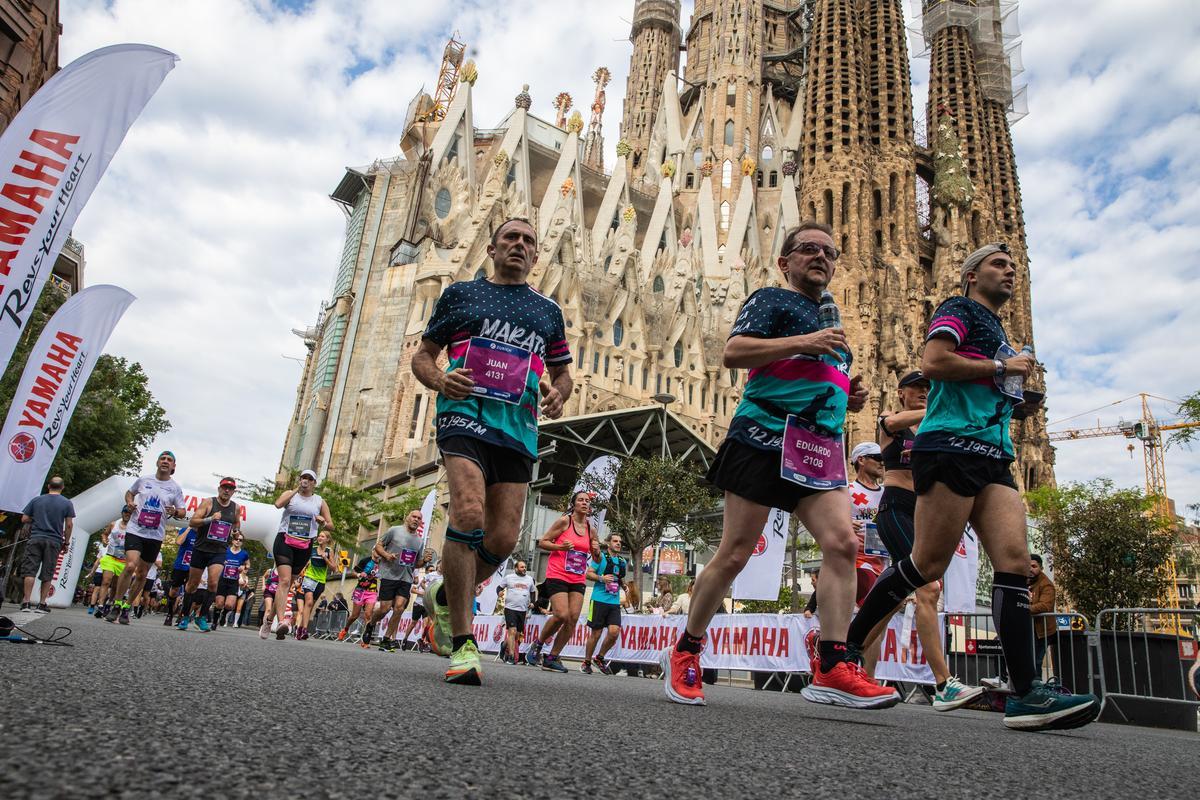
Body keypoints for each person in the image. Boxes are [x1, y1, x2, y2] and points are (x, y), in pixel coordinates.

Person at [843, 242, 1098, 731]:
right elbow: (936, 362)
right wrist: (1002, 368)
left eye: (1012, 266)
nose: (1009, 272)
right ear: (970, 275)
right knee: (925, 566)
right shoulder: (957, 310)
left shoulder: (1000, 331)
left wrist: (1014, 398)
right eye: (997, 265)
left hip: (994, 455)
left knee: (1016, 564)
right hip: (953, 448)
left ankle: (1026, 693)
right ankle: (844, 651)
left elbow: (984, 384)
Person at [662, 222, 897, 709]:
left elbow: (820, 374)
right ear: (784, 262)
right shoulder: (770, 299)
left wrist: (847, 394)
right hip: (762, 438)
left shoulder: (832, 321)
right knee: (735, 553)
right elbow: (734, 352)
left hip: (817, 449)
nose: (821, 257)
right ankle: (686, 649)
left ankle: (833, 664)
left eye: (829, 251)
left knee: (843, 543)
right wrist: (804, 343)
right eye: (808, 249)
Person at [413, 217, 573, 685]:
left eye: (528, 241)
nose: (520, 246)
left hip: (518, 427)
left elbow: (563, 372)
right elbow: (423, 356)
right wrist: (441, 378)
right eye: (511, 238)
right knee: (467, 513)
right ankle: (464, 644)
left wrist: (559, 393)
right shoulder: (461, 295)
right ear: (492, 248)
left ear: (536, 255)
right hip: (464, 415)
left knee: (503, 540)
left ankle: (446, 596)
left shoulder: (547, 310)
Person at [848, 370, 983, 710]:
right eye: (918, 388)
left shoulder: (931, 430)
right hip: (895, 510)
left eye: (929, 388)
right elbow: (893, 424)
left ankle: (850, 657)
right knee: (928, 588)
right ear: (901, 392)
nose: (924, 392)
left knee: (892, 598)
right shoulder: (889, 423)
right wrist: (939, 405)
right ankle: (943, 684)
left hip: (923, 514)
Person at [106, 452, 187, 624]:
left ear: (173, 467)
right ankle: (117, 604)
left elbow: (182, 511)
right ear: (157, 462)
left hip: (155, 536)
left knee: (142, 574)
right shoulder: (144, 480)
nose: (165, 461)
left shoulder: (175, 488)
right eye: (163, 459)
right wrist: (129, 502)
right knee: (129, 566)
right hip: (136, 530)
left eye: (169, 460)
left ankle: (127, 607)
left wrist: (175, 512)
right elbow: (130, 493)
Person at [527, 491, 600, 673]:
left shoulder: (591, 530)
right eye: (581, 500)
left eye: (587, 501)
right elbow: (542, 542)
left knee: (573, 618)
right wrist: (560, 546)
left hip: (577, 577)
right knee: (561, 614)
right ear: (574, 504)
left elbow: (597, 560)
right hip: (558, 574)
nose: (584, 503)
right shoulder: (564, 521)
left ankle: (552, 657)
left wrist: (597, 551)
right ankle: (537, 644)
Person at [263, 469, 333, 640]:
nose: (306, 481)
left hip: (304, 544)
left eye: (310, 479)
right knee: (284, 581)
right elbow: (278, 504)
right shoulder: (290, 494)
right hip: (285, 540)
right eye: (304, 478)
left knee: (287, 585)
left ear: (314, 483)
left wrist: (323, 522)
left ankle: (268, 620)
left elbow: (331, 525)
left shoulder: (319, 501)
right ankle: (281, 622)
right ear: (300, 480)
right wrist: (296, 490)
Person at [179, 478, 242, 632]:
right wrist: (209, 519)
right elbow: (192, 522)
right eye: (224, 487)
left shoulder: (236, 508)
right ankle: (185, 615)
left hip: (219, 550)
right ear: (219, 489)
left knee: (213, 583)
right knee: (193, 584)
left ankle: (202, 617)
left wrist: (235, 532)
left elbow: (236, 525)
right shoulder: (208, 503)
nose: (227, 491)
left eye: (230, 488)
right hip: (201, 548)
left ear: (233, 491)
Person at [846, 442, 887, 676]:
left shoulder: (887, 493)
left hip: (882, 561)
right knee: (872, 616)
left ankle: (868, 677)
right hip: (857, 561)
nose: (882, 461)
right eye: (876, 457)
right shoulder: (847, 490)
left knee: (877, 624)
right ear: (861, 460)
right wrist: (843, 523)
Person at [370, 510, 432, 652]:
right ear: (407, 518)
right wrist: (387, 555)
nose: (416, 520)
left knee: (399, 607)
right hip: (389, 574)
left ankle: (386, 639)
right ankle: (371, 624)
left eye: (419, 518)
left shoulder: (419, 541)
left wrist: (424, 561)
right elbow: (378, 546)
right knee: (385, 608)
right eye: (414, 517)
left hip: (406, 578)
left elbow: (416, 564)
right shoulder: (394, 531)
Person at [18, 476, 76, 613]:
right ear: (62, 488)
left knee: (30, 571)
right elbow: (68, 525)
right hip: (54, 541)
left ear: (49, 486)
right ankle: (41, 603)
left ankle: (26, 602)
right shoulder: (67, 503)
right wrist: (66, 542)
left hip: (36, 538)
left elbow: (24, 518)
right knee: (48, 572)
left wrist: (37, 516)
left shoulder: (37, 500)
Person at [582, 533, 628, 675]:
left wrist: (623, 585)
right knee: (596, 633)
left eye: (620, 541)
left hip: (614, 601)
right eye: (615, 541)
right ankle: (586, 662)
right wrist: (601, 578)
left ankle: (600, 658)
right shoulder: (600, 557)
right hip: (598, 599)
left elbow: (618, 578)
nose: (618, 543)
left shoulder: (622, 561)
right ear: (608, 543)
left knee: (614, 632)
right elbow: (588, 574)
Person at [295, 530, 336, 640]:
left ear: (327, 539)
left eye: (322, 536)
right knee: (308, 602)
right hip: (309, 578)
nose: (320, 537)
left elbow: (334, 568)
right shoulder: (312, 549)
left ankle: (300, 628)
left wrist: (325, 558)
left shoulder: (329, 551)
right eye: (319, 536)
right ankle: (304, 629)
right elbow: (305, 563)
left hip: (320, 581)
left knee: (311, 605)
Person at [94, 507, 132, 619]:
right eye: (125, 512)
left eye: (130, 513)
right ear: (122, 513)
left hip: (123, 560)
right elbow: (105, 534)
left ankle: (110, 603)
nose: (127, 514)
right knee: (106, 581)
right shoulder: (113, 524)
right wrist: (105, 539)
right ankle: (100, 606)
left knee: (116, 585)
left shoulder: (133, 527)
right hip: (111, 557)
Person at [500, 560, 536, 664]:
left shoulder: (529, 579)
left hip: (522, 610)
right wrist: (499, 592)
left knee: (517, 635)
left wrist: (533, 603)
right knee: (512, 631)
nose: (524, 569)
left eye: (525, 567)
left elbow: (533, 592)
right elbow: (499, 587)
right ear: (516, 568)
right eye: (522, 567)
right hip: (510, 608)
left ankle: (503, 645)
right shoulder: (509, 578)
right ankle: (511, 656)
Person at [337, 556, 379, 642]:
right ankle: (345, 629)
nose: (378, 555)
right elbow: (353, 572)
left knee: (368, 615)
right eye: (376, 552)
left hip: (372, 592)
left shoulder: (382, 563)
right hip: (360, 590)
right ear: (373, 551)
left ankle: (366, 639)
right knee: (354, 615)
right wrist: (359, 574)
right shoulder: (365, 560)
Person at [215, 533, 250, 628]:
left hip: (234, 581)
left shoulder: (244, 554)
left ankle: (224, 614)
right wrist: (222, 562)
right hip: (222, 579)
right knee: (219, 603)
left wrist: (243, 568)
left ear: (242, 543)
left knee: (229, 605)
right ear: (232, 540)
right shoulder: (225, 550)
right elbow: (216, 560)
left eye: (240, 540)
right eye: (236, 539)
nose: (238, 541)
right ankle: (214, 622)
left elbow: (248, 566)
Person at [1029, 554, 1057, 677]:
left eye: (1034, 566)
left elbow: (1045, 606)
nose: (1030, 569)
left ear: (1040, 567)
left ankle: (1038, 687)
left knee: (1036, 661)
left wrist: (1023, 609)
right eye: (1027, 566)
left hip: (1042, 631)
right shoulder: (1025, 581)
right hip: (1028, 628)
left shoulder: (1046, 584)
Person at [165, 526, 198, 627]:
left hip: (195, 567)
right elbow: (178, 542)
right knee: (174, 590)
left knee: (190, 591)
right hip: (181, 565)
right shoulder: (185, 530)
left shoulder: (204, 533)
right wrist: (188, 529)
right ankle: (170, 614)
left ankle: (182, 616)